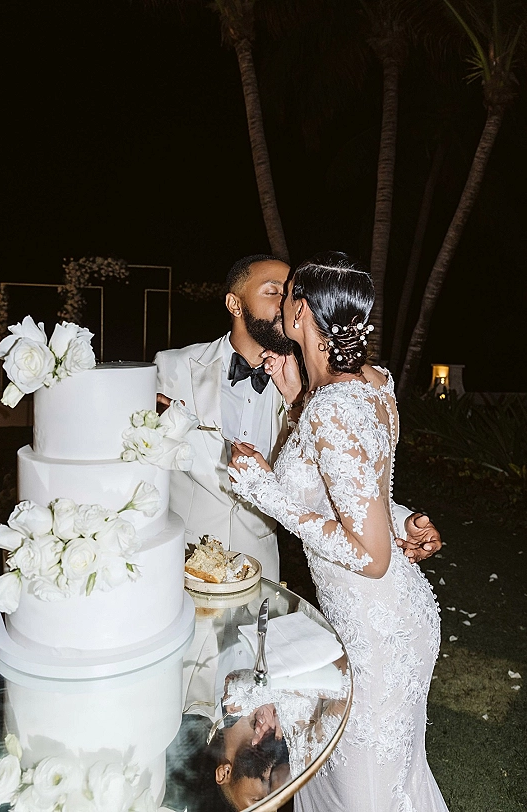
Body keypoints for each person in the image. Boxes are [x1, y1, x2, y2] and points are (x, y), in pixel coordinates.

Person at [229, 251, 449, 811]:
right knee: (375, 784)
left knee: (366, 797)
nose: (278, 303)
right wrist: (403, 521)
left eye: (287, 295)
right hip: (383, 616)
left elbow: (370, 556)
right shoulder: (372, 383)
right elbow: (365, 496)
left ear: (302, 313)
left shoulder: (333, 407)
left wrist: (266, 492)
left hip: (377, 630)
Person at [155, 254, 442, 582]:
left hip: (260, 566)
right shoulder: (171, 368)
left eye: (289, 292)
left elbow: (339, 480)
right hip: (182, 558)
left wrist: (399, 520)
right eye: (272, 291)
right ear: (234, 304)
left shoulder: (311, 389)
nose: (285, 303)